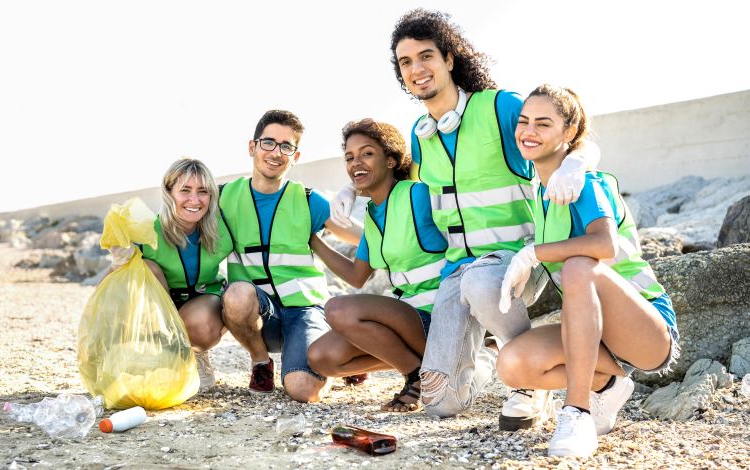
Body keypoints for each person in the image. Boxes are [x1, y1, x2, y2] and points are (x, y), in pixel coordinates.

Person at [331, 9, 600, 423]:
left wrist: (576, 165)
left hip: (519, 261)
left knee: (481, 279)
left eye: (426, 57)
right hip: (459, 273)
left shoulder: (500, 108)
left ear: (450, 59)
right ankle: (490, 361)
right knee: (441, 403)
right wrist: (352, 187)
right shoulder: (422, 136)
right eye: (406, 62)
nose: (416, 69)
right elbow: (400, 183)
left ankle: (530, 379)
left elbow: (572, 136)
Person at [496, 84, 679, 457]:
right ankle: (606, 387)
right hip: (595, 340)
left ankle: (576, 412)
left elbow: (604, 246)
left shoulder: (585, 182)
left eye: (543, 123)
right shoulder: (541, 188)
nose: (528, 131)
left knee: (580, 265)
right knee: (512, 365)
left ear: (568, 134)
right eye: (524, 121)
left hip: (645, 332)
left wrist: (533, 253)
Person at [218, 110, 362, 403]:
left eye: (286, 146)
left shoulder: (309, 200)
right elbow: (180, 221)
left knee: (302, 389)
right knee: (234, 295)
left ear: (295, 156)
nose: (276, 152)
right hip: (258, 316)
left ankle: (338, 355)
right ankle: (261, 363)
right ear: (252, 147)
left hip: (303, 312)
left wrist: (364, 195)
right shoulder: (223, 197)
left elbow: (363, 239)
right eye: (268, 142)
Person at [307, 118, 448, 412]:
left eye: (367, 153)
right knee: (322, 357)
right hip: (410, 316)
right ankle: (424, 366)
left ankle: (417, 375)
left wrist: (353, 188)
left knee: (338, 308)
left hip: (442, 315)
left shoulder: (417, 194)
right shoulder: (373, 214)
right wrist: (313, 241)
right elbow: (357, 276)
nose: (356, 162)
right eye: (349, 157)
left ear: (391, 159)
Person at [109, 158, 234, 392]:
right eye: (185, 190)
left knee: (199, 322)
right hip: (159, 311)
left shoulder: (222, 230)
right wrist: (119, 262)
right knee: (145, 267)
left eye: (203, 192)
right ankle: (161, 356)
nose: (194, 200)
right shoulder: (146, 231)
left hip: (202, 304)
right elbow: (112, 289)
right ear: (169, 192)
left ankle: (196, 356)